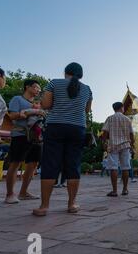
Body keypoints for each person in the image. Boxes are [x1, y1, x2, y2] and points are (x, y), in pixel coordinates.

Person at [33, 62, 93, 216]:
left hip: (55, 126)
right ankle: (72, 204)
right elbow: (87, 110)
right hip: (77, 128)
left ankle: (44, 206)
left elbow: (45, 105)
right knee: (73, 165)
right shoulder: (87, 89)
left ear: (65, 72)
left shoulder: (54, 83)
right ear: (81, 75)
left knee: (50, 164)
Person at [5, 79, 43, 204]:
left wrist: (39, 112)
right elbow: (12, 116)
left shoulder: (37, 104)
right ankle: (10, 194)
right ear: (27, 87)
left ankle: (23, 192)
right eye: (36, 87)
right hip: (20, 134)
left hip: (35, 137)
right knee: (16, 162)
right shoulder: (17, 99)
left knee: (33, 164)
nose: (38, 90)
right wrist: (29, 112)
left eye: (39, 88)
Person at [102, 102, 135, 197]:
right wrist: (132, 145)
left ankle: (114, 191)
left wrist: (104, 143)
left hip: (113, 145)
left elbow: (104, 132)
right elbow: (132, 134)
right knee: (125, 167)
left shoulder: (110, 118)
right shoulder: (127, 119)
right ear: (122, 108)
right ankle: (125, 189)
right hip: (125, 145)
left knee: (113, 167)